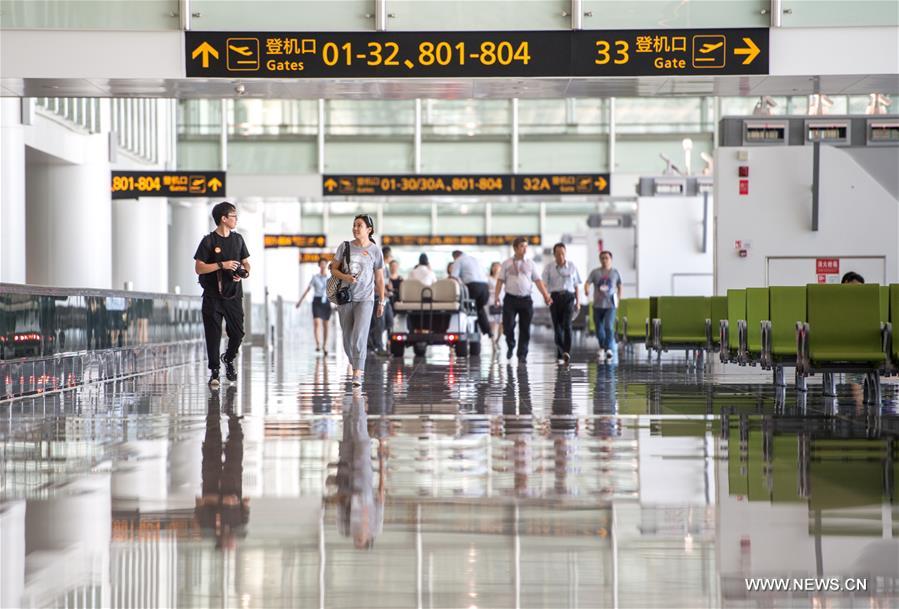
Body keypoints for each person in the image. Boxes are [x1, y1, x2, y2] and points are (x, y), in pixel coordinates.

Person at [194, 201, 250, 387]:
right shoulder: (208, 241)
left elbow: (247, 263)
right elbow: (199, 268)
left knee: (238, 332)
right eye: (233, 216)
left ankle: (229, 357)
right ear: (223, 219)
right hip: (212, 296)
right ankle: (215, 372)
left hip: (233, 295)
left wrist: (244, 272)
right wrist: (221, 265)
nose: (236, 219)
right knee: (213, 334)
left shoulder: (238, 239)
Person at [330, 214, 386, 387]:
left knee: (359, 336)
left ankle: (357, 373)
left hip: (366, 299)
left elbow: (380, 279)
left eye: (359, 225)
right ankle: (354, 362)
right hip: (345, 298)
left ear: (368, 230)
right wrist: (346, 277)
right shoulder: (345, 247)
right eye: (354, 225)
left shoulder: (375, 251)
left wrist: (381, 301)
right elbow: (333, 269)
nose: (355, 228)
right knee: (347, 337)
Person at [195, 386, 249, 550]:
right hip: (233, 477)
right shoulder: (240, 526)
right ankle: (230, 407)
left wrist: (223, 502)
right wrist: (230, 502)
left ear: (221, 543)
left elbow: (199, 501)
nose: (233, 543)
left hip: (211, 475)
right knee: (236, 437)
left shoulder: (207, 526)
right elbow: (246, 502)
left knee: (212, 432)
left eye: (230, 546)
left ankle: (214, 397)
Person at [332, 388, 385, 550]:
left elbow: (339, 500)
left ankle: (349, 392)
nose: (357, 539)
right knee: (360, 432)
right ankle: (358, 394)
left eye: (357, 542)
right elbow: (381, 495)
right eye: (360, 541)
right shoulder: (375, 526)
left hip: (346, 474)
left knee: (348, 429)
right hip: (364, 474)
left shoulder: (346, 528)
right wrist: (382, 462)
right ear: (368, 538)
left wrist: (343, 491)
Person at [494, 237, 552, 363]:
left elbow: (538, 281)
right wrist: (496, 296)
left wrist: (546, 295)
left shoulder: (531, 263)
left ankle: (522, 354)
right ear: (515, 248)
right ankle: (510, 344)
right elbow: (500, 281)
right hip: (510, 299)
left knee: (525, 328)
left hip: (526, 300)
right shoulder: (507, 263)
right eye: (522, 246)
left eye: (526, 246)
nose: (525, 249)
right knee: (508, 325)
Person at [542, 243, 582, 365]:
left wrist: (578, 301)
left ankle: (566, 351)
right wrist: (546, 296)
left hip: (569, 298)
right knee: (557, 327)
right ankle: (560, 350)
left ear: (565, 253)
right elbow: (544, 284)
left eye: (563, 253)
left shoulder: (572, 267)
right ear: (554, 254)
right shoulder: (549, 268)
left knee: (567, 325)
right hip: (554, 298)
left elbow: (576, 285)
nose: (561, 256)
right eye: (558, 253)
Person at [585, 250, 622, 361]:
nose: (605, 260)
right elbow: (588, 282)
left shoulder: (615, 273)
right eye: (602, 258)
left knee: (608, 326)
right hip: (597, 305)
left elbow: (620, 285)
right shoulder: (595, 272)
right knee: (598, 328)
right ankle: (602, 346)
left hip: (610, 305)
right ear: (600, 260)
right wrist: (586, 290)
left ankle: (608, 348)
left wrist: (619, 299)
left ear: (611, 259)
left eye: (607, 258)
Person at [295, 258, 333, 354]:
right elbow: (308, 289)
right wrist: (300, 301)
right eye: (321, 264)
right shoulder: (315, 277)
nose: (323, 266)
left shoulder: (330, 278)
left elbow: (333, 292)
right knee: (316, 323)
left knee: (326, 325)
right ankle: (318, 344)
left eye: (324, 264)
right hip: (317, 301)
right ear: (319, 265)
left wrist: (336, 304)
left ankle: (325, 345)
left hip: (326, 302)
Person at [451, 250, 491, 336]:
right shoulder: (474, 259)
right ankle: (487, 330)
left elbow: (453, 277)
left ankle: (469, 330)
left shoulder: (458, 260)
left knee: (466, 309)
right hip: (485, 288)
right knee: (478, 308)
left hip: (473, 287)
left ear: (455, 256)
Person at [487, 261, 503, 347]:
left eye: (498, 266)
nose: (496, 268)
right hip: (491, 301)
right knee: (492, 323)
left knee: (502, 323)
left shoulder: (503, 279)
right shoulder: (488, 279)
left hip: (501, 302)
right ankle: (493, 342)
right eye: (495, 266)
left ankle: (498, 340)